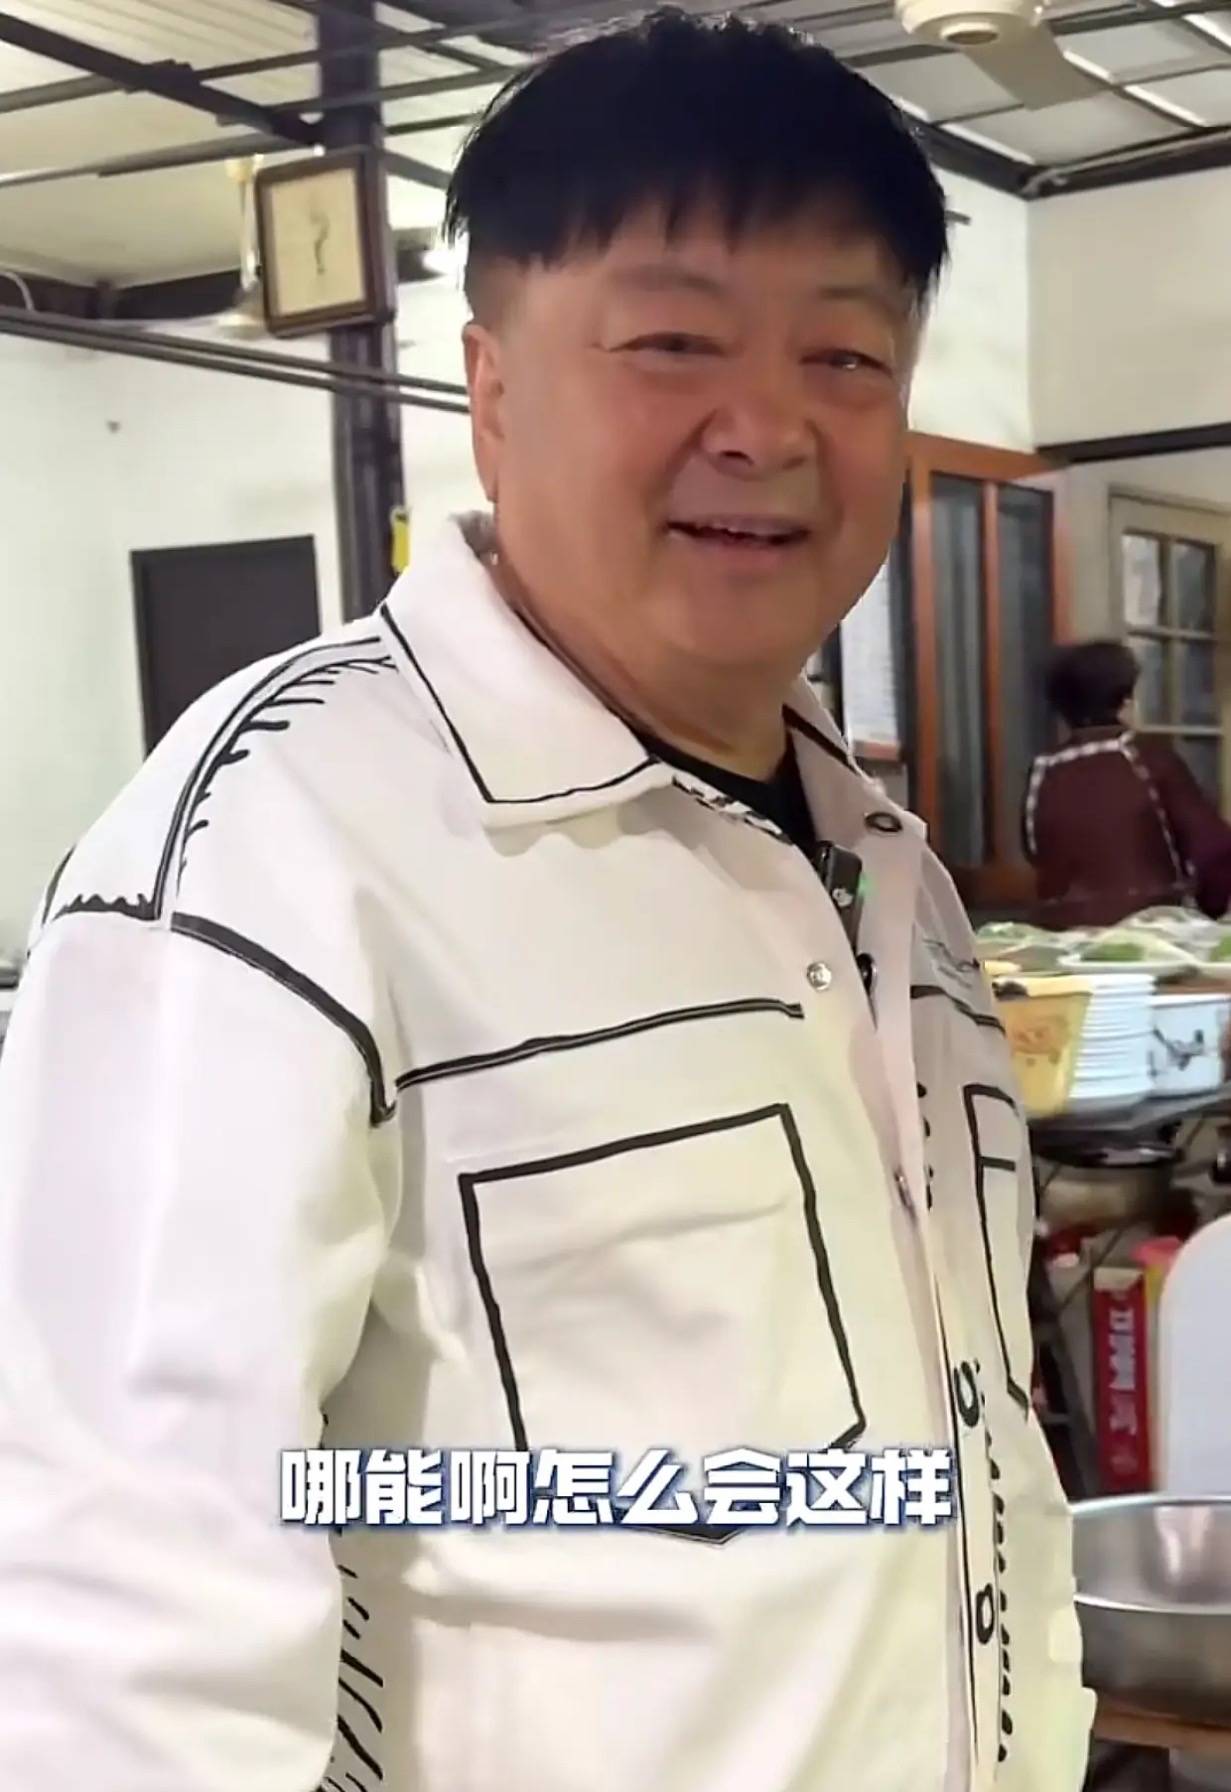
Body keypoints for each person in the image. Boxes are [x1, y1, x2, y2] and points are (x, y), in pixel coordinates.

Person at [0, 13, 1092, 1791]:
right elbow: (112, 1634)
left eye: (843, 354)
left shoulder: (878, 867)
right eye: (673, 343)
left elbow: (974, 1458)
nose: (767, 428)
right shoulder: (275, 850)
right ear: (491, 391)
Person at [1025, 638, 1231, 928]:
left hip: (1062, 934)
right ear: (1125, 701)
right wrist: (1213, 910)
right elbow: (1212, 852)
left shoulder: (1043, 769)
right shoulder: (1148, 759)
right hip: (1153, 928)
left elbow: (1035, 850)